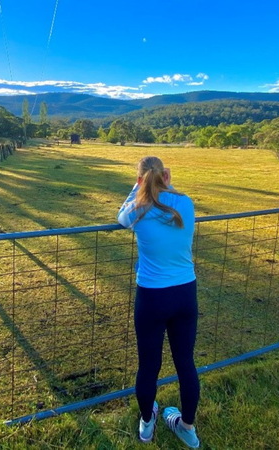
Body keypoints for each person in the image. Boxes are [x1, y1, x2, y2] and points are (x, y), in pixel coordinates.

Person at [117, 156, 200, 448]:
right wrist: (165, 183)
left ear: (140, 180)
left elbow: (120, 217)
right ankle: (187, 428)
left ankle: (146, 425)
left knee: (149, 365)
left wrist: (138, 186)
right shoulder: (186, 203)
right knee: (186, 362)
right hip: (185, 293)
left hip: (152, 297)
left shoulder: (137, 210)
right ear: (165, 175)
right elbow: (168, 194)